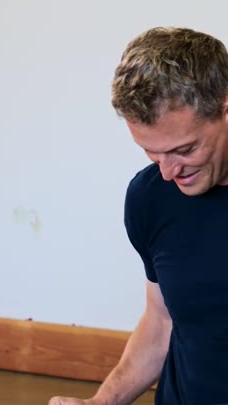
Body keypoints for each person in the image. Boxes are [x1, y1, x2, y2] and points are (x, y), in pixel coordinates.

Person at [49, 27, 228, 405]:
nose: (168, 172)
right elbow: (162, 321)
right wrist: (101, 402)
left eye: (184, 149)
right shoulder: (151, 196)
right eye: (151, 152)